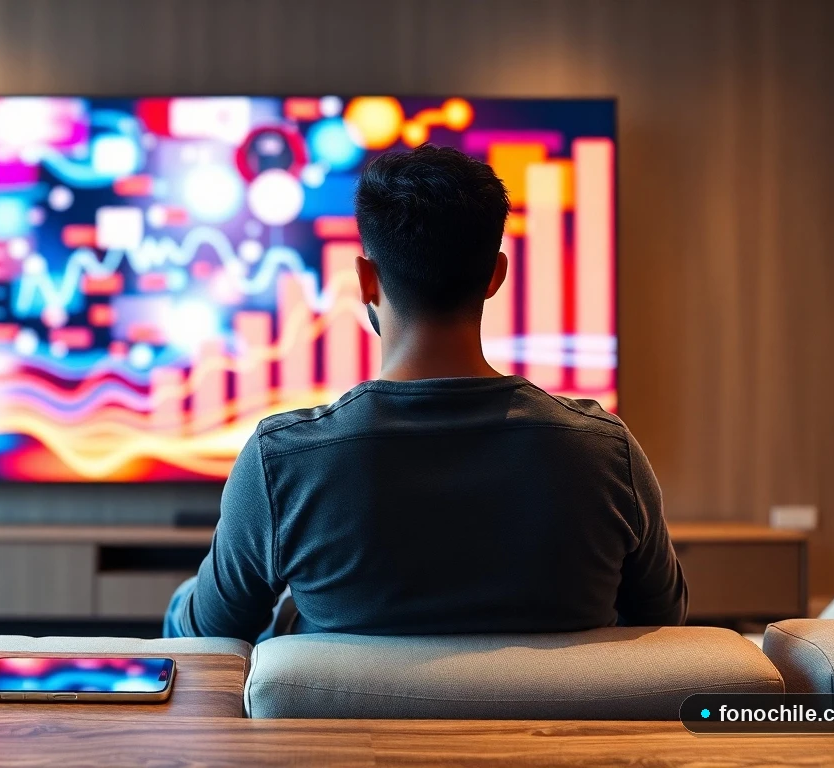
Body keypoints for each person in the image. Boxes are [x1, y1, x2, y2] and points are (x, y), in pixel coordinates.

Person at [164, 144, 687, 644]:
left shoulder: (282, 463)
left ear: (366, 280)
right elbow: (664, 624)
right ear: (496, 276)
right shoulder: (606, 455)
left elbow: (207, 636)